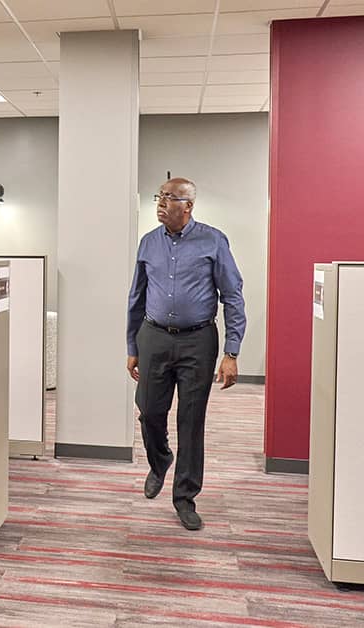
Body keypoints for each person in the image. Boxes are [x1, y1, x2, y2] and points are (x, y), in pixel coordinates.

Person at [126, 177, 246, 531]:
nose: (161, 203)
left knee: (191, 421)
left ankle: (185, 497)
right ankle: (160, 459)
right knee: (149, 409)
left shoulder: (213, 240)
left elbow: (233, 296)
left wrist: (232, 351)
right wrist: (132, 345)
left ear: (188, 205)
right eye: (159, 196)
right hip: (153, 337)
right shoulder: (148, 243)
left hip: (198, 340)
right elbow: (136, 296)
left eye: (169, 198)